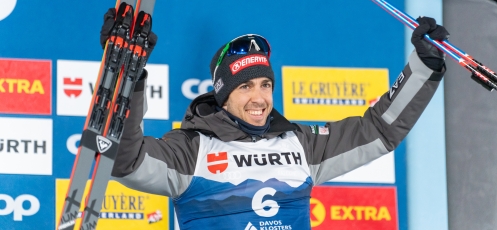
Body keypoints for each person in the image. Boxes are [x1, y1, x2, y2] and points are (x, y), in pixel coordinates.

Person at [106, 13, 448, 229]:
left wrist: (423, 66)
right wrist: (128, 80)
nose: (259, 98)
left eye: (265, 85)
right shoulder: (189, 150)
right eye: (245, 87)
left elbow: (379, 130)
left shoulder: (300, 144)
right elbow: (127, 160)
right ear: (223, 95)